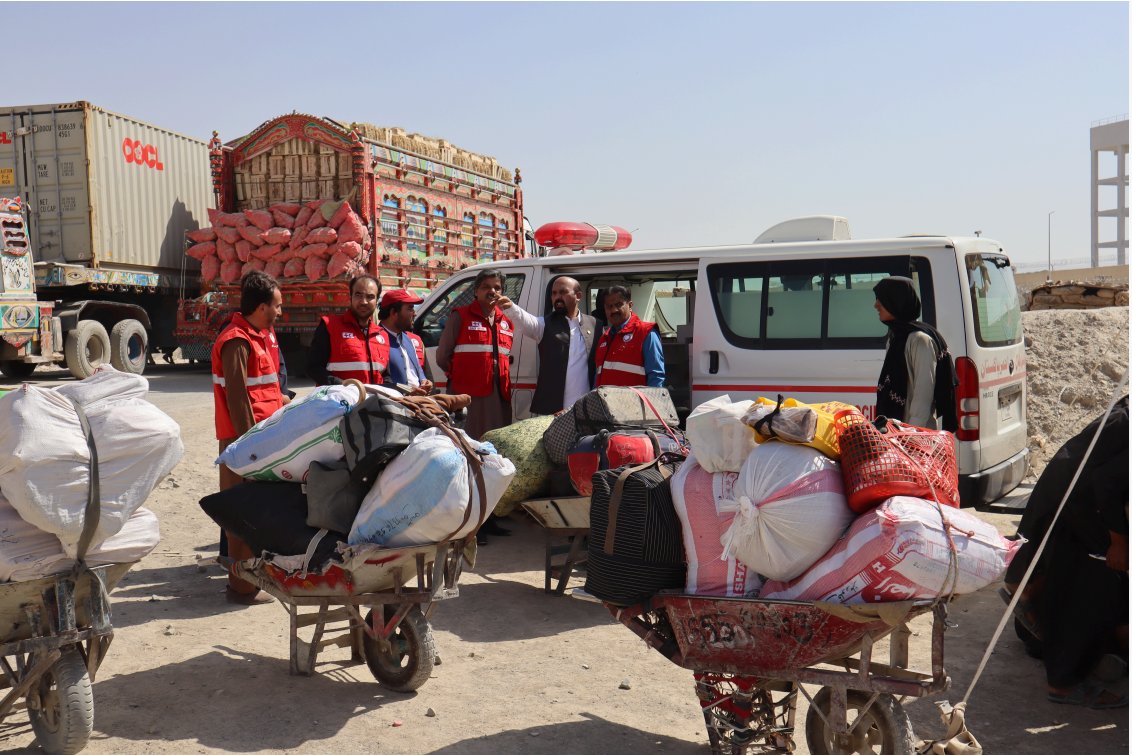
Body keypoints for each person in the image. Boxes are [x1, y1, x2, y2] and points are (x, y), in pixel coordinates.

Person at [1003, 397, 1128, 709]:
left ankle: (1029, 597)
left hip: (1068, 494)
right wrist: (1118, 540)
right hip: (1078, 501)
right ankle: (1064, 683)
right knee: (1094, 587)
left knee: (1070, 575)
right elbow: (1107, 482)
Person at [212, 271, 285, 606]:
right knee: (240, 514)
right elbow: (239, 400)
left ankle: (251, 581)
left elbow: (262, 390)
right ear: (261, 307)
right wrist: (250, 450)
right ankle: (240, 588)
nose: (280, 312)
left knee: (255, 512)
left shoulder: (258, 336)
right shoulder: (236, 341)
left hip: (259, 441)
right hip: (243, 444)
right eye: (277, 306)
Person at [436, 269, 514, 543]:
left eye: (497, 287)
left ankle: (488, 518)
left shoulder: (506, 322)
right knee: (468, 458)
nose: (492, 291)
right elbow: (443, 357)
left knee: (492, 458)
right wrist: (463, 379)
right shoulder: (460, 317)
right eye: (486, 287)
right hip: (470, 400)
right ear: (476, 291)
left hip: (498, 400)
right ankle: (469, 526)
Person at [498, 275, 596, 414]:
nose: (557, 297)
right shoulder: (543, 324)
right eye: (554, 293)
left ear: (578, 296)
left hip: (585, 409)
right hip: (554, 410)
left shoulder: (595, 324)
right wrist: (510, 307)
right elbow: (525, 320)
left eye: (563, 292)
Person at [872, 276, 952, 429]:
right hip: (895, 431)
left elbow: (923, 396)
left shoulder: (920, 340)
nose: (876, 305)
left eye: (881, 299)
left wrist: (910, 434)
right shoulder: (895, 337)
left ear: (895, 301)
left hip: (914, 434)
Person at [306, 275, 388, 386]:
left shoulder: (382, 335)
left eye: (370, 297)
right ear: (350, 297)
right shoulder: (330, 326)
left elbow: (386, 375)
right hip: (339, 396)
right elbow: (313, 368)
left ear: (377, 300)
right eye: (358, 295)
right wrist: (343, 386)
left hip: (373, 397)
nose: (364, 301)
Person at [592, 285, 665, 388]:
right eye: (609, 306)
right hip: (605, 399)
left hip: (634, 399)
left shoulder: (646, 333)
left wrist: (651, 398)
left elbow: (656, 377)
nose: (614, 310)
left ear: (630, 305)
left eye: (618, 304)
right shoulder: (604, 339)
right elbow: (597, 377)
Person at [379, 289, 433, 395]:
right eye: (410, 308)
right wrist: (407, 390)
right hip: (394, 402)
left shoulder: (411, 340)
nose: (415, 313)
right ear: (393, 312)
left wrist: (426, 382)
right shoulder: (375, 341)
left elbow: (421, 374)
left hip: (420, 400)